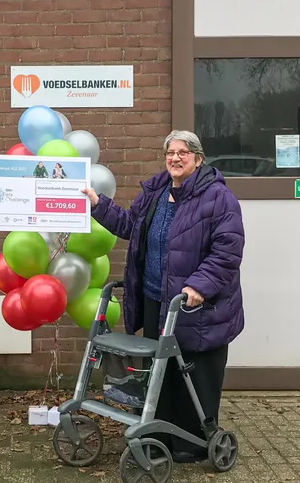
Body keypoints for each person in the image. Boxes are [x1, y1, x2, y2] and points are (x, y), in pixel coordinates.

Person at [81, 130, 245, 463]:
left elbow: (228, 251)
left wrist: (199, 286)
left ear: (198, 159)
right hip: (159, 301)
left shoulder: (218, 197)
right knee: (162, 373)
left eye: (183, 152)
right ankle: (160, 436)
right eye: (170, 152)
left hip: (197, 306)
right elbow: (130, 225)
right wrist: (98, 205)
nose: (175, 158)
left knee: (196, 375)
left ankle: (195, 442)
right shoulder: (156, 191)